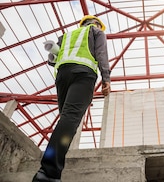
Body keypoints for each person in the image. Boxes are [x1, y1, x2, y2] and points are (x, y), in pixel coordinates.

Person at [32, 15, 111, 182]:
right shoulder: (96, 32)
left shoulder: (66, 36)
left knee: (65, 120)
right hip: (83, 74)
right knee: (70, 120)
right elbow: (101, 53)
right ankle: (48, 172)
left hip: (62, 76)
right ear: (96, 24)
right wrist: (106, 79)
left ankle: (49, 168)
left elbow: (53, 61)